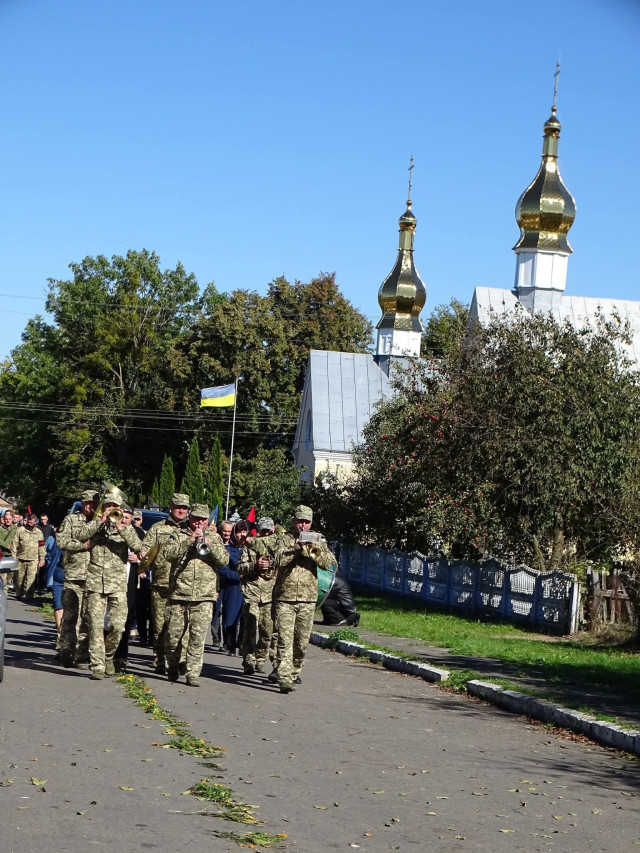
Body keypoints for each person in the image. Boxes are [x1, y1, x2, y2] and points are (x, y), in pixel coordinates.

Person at [73, 493, 145, 680]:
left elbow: (138, 546)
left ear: (120, 509)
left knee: (117, 626)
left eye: (115, 506)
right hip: (95, 583)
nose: (111, 509)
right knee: (95, 626)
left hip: (118, 584)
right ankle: (97, 665)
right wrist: (99, 521)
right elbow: (79, 536)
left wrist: (120, 526)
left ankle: (108, 656)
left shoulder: (127, 528)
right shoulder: (94, 525)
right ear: (102, 508)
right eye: (108, 506)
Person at [162, 503, 229, 686]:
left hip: (204, 595)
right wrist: (190, 540)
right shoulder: (177, 533)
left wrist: (211, 547)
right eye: (196, 519)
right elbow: (168, 554)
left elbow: (224, 561)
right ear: (189, 517)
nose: (200, 523)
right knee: (173, 636)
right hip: (179, 594)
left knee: (197, 637)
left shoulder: (214, 537)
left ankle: (193, 673)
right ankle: (173, 665)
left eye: (203, 519)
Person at [272, 505, 336, 694]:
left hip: (308, 600)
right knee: (284, 640)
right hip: (285, 598)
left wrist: (315, 552)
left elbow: (330, 564)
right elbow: (277, 561)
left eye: (306, 522)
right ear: (294, 521)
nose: (303, 525)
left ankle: (294, 672)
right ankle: (284, 678)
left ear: (311, 522)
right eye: (300, 521)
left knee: (301, 642)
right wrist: (296, 549)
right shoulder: (284, 538)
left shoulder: (318, 539)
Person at [140, 493, 190, 674]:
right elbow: (145, 549)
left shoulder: (191, 529)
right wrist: (143, 556)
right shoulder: (158, 528)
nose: (181, 511)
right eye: (178, 507)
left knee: (182, 626)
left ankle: (180, 659)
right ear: (171, 507)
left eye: (184, 508)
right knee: (160, 625)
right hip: (161, 583)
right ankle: (160, 659)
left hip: (184, 586)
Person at [56, 490, 97, 668]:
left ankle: (82, 654)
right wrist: (83, 545)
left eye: (93, 503)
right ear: (82, 503)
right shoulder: (71, 520)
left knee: (89, 618)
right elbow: (61, 542)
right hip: (74, 576)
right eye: (87, 503)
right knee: (71, 616)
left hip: (95, 577)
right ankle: (66, 650)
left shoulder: (101, 522)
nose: (90, 506)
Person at [238, 517, 279, 675]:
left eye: (268, 531)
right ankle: (248, 660)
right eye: (263, 531)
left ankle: (261, 658)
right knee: (250, 628)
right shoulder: (249, 546)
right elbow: (239, 567)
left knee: (267, 631)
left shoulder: (278, 546)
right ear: (258, 531)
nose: (266, 534)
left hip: (270, 595)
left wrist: (271, 564)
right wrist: (254, 565)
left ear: (273, 530)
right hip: (252, 593)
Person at [113, 508, 143, 673]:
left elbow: (147, 553)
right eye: (122, 516)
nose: (124, 520)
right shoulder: (110, 530)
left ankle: (121, 656)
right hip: (110, 582)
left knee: (125, 618)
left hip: (128, 581)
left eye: (127, 517)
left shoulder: (138, 533)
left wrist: (138, 559)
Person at [218, 520, 247, 656]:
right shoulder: (227, 549)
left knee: (247, 618)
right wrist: (238, 576)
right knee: (231, 616)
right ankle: (230, 645)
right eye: (239, 532)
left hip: (249, 588)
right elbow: (223, 570)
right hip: (233, 587)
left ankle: (243, 644)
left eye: (244, 532)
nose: (242, 535)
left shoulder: (250, 548)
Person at [14, 513, 45, 600]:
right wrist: (14, 555)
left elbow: (41, 547)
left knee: (31, 579)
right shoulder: (20, 530)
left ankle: (29, 597)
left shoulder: (39, 533)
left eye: (31, 522)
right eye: (28, 522)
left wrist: (42, 559)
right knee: (19, 578)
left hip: (33, 559)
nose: (29, 524)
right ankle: (19, 594)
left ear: (35, 522)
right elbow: (15, 543)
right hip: (21, 558)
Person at [44, 533, 65, 647]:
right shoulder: (58, 541)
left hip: (76, 579)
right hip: (58, 577)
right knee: (59, 606)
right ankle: (60, 636)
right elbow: (50, 557)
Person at [0, 510, 17, 589]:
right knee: (2, 579)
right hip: (3, 556)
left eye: (9, 519)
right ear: (4, 519)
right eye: (6, 519)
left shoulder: (17, 529)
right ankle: (3, 593)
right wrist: (7, 546)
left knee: (10, 579)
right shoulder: (0, 529)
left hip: (12, 556)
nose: (8, 521)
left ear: (12, 519)